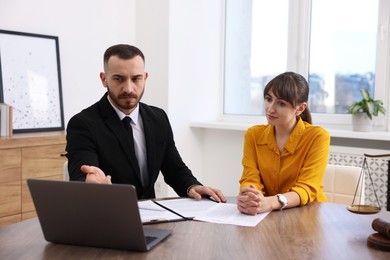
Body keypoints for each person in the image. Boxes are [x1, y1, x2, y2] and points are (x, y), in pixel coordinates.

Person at [66, 44, 225, 202]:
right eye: (119, 79)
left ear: (145, 77)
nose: (128, 88)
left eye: (136, 78)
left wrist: (192, 186)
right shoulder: (83, 124)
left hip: (153, 216)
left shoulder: (158, 118)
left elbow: (174, 169)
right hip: (108, 215)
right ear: (104, 79)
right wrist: (91, 184)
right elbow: (80, 176)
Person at [237, 72, 330, 215]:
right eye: (268, 99)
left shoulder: (317, 137)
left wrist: (270, 202)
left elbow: (306, 188)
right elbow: (250, 178)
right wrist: (251, 197)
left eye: (281, 103)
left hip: (307, 214)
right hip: (265, 215)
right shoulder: (253, 135)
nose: (270, 108)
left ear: (300, 108)